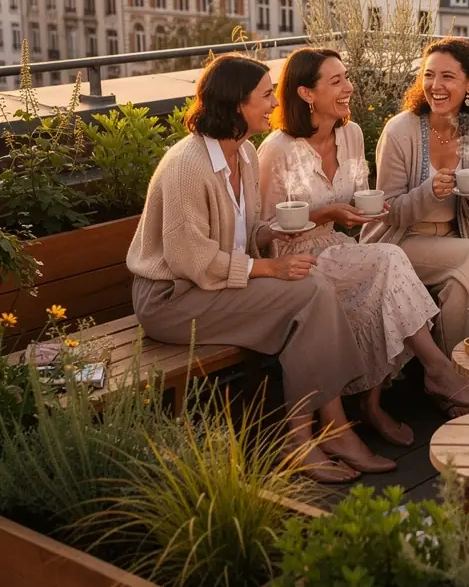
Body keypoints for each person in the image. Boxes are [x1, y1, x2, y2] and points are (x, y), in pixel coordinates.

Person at [126, 52, 391, 484]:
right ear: (235, 105)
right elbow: (190, 260)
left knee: (313, 290)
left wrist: (282, 232)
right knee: (310, 293)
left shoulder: (244, 154)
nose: (274, 103)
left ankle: (317, 433)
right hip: (173, 300)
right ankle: (319, 435)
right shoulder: (187, 166)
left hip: (215, 289)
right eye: (266, 95)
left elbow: (246, 235)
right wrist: (270, 270)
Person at [258, 47, 469, 437]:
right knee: (388, 263)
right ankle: (438, 371)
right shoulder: (277, 150)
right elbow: (259, 233)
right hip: (289, 262)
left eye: (347, 78)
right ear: (307, 93)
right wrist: (325, 214)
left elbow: (361, 198)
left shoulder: (352, 134)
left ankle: (376, 402)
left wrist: (362, 212)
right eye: (337, 81)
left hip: (336, 247)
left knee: (387, 268)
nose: (349, 87)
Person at [362, 37, 469, 358]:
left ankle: (458, 379)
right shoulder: (401, 130)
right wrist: (428, 193)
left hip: (451, 245)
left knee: (461, 285)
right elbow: (389, 213)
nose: (435, 85)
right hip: (398, 242)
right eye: (429, 75)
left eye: (447, 76)